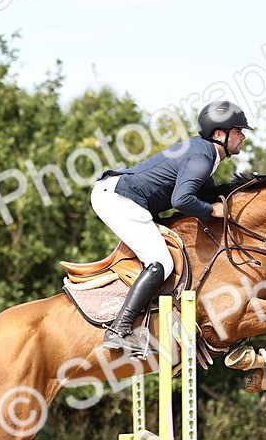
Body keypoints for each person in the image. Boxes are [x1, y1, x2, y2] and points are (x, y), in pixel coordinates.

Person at [90, 100, 251, 352]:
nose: (242, 137)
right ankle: (119, 329)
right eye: (239, 130)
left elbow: (208, 195)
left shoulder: (205, 155)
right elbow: (182, 200)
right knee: (161, 263)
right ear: (220, 134)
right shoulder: (202, 157)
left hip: (121, 195)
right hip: (118, 198)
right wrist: (212, 211)